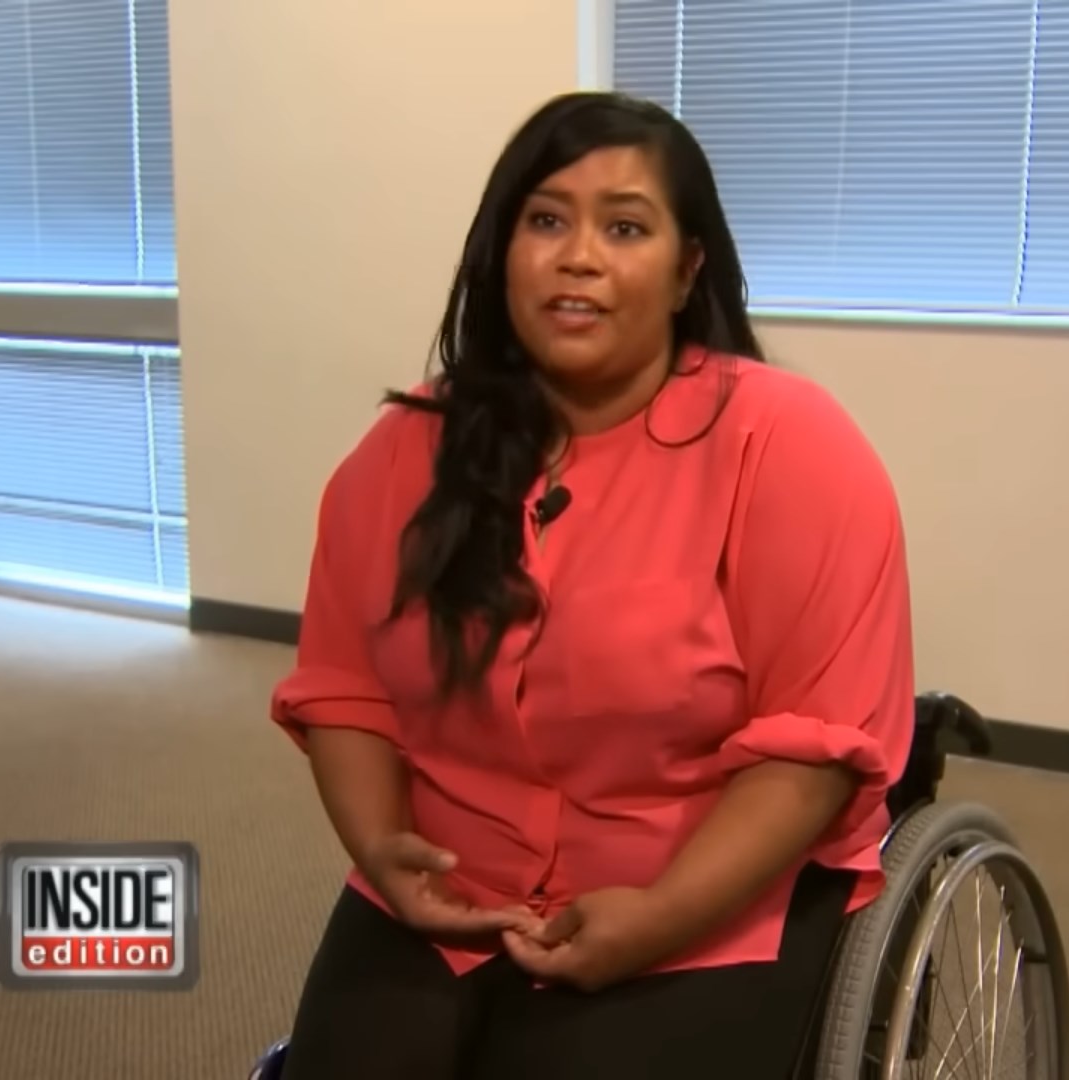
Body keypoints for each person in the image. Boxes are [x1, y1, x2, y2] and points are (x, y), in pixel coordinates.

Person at [269, 91, 914, 1079]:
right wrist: (382, 846)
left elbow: (810, 751)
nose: (579, 256)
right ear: (503, 251)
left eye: (624, 226)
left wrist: (659, 918)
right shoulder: (408, 450)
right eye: (546, 220)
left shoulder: (787, 447)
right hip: (452, 884)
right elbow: (346, 686)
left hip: (697, 890)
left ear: (685, 268)